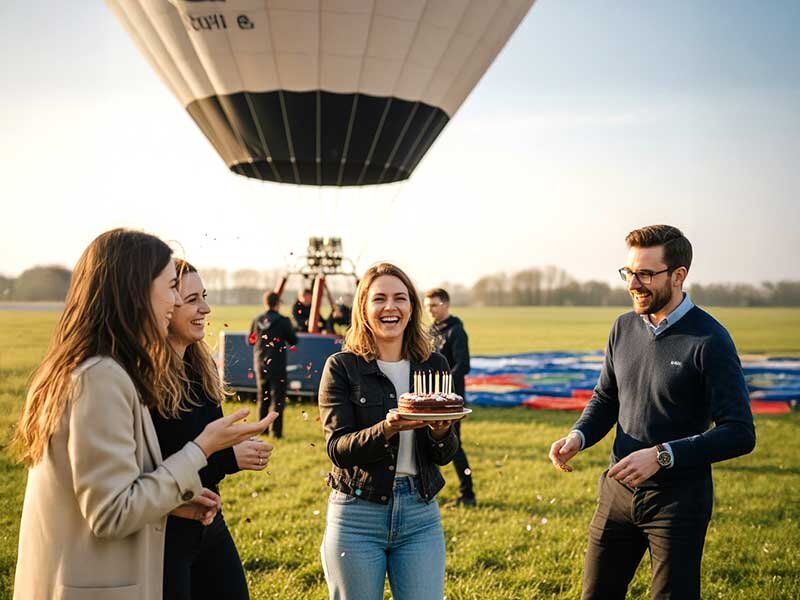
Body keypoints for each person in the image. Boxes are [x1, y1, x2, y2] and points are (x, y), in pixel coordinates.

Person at [12, 228, 274, 600]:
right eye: (171, 288)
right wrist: (204, 449)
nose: (175, 301)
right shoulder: (100, 377)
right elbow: (111, 513)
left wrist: (178, 496)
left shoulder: (94, 368)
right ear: (136, 291)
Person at [548, 225, 756, 600]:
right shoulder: (623, 327)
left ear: (679, 276)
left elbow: (740, 432)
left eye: (646, 273)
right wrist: (578, 436)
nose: (634, 283)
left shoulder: (711, 340)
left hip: (678, 502)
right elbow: (606, 398)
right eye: (629, 272)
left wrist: (664, 455)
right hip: (617, 493)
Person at [318, 263, 460, 600]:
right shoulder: (342, 367)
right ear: (364, 308)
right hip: (357, 514)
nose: (390, 307)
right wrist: (388, 428)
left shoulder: (434, 365)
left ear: (412, 307)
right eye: (379, 299)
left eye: (400, 298)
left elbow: (445, 454)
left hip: (420, 515)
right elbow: (338, 449)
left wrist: (441, 434)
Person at [153, 259, 277, 600]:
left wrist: (235, 445)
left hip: (210, 524)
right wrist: (230, 457)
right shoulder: (142, 379)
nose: (205, 308)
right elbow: (155, 463)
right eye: (192, 300)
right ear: (164, 304)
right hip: (163, 532)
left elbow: (203, 445)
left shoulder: (201, 365)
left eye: (203, 297)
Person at [424, 288, 476, 506]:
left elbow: (463, 365)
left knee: (454, 445)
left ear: (446, 305)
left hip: (451, 399)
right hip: (429, 399)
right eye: (427, 307)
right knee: (426, 444)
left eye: (434, 305)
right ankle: (428, 490)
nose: (430, 310)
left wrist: (442, 386)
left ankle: (468, 494)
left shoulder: (456, 331)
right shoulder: (430, 331)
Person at [249, 291, 298, 438]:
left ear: (266, 303)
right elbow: (293, 340)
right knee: (278, 399)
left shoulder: (257, 320)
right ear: (277, 304)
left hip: (260, 364)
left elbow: (250, 341)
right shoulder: (283, 321)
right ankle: (276, 432)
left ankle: (261, 430)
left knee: (263, 398)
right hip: (277, 365)